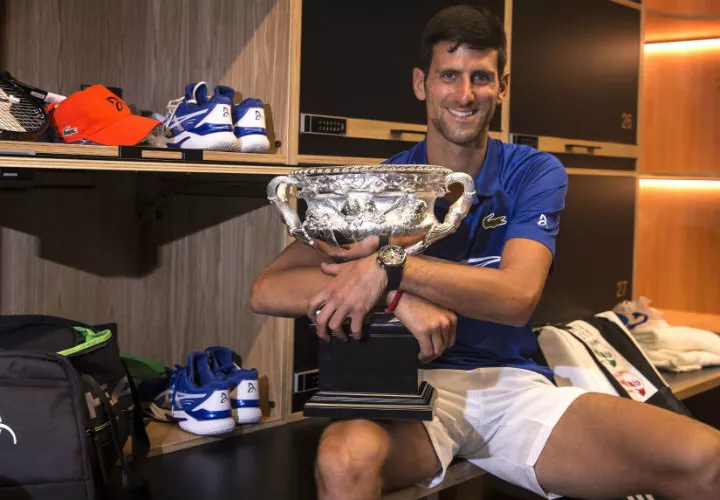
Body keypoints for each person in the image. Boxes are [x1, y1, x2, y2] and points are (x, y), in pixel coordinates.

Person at [250, 5, 720, 499]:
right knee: (343, 460)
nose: (465, 94)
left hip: (510, 388)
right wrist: (396, 298)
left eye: (481, 77)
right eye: (449, 76)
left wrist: (390, 266)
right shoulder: (380, 183)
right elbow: (268, 289)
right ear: (421, 84)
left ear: (503, 85)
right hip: (408, 389)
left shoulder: (533, 172)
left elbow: (516, 297)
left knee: (706, 460)